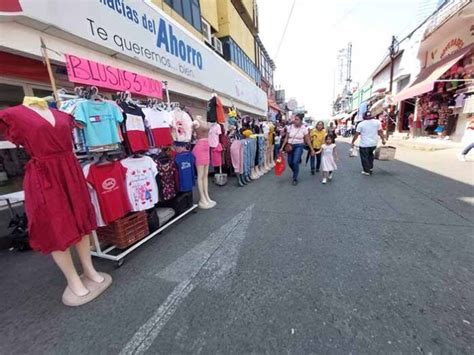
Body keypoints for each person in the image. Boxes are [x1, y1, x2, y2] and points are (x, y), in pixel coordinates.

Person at [280, 114, 315, 185]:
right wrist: (282, 147)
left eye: (297, 119)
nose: (295, 121)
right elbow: (286, 138)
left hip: (299, 146)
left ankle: (295, 178)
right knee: (290, 163)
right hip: (289, 146)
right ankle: (295, 171)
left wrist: (312, 149)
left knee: (295, 162)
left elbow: (307, 140)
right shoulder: (290, 127)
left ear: (301, 121)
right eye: (295, 119)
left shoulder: (304, 129)